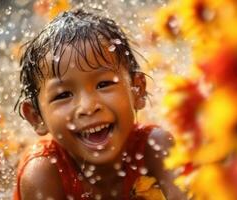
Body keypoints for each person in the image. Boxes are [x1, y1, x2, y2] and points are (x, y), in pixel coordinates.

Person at [14, 9, 184, 200]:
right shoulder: (43, 173)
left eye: (104, 84)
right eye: (63, 95)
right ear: (36, 117)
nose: (88, 106)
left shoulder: (155, 147)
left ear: (137, 90)